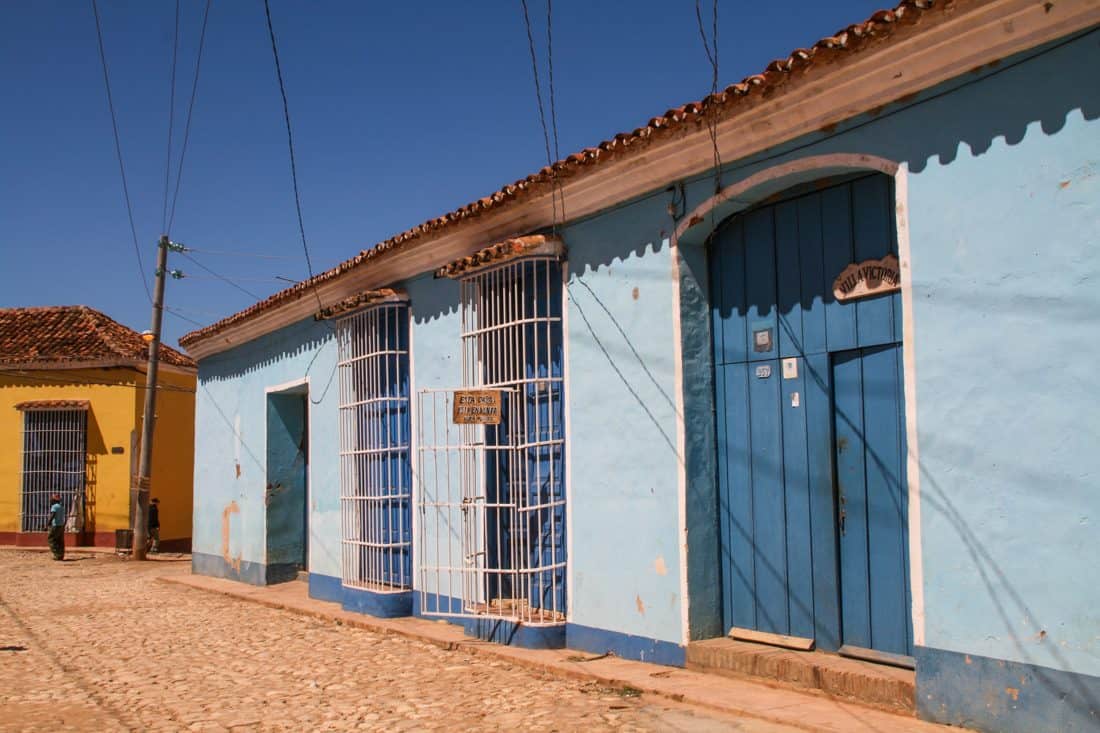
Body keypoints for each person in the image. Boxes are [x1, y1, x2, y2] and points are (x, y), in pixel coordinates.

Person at [45, 494, 65, 561]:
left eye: (52, 499)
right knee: (60, 541)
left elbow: (52, 515)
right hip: (61, 526)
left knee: (51, 540)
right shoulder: (61, 506)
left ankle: (57, 555)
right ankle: (61, 555)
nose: (50, 500)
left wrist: (47, 524)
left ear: (54, 500)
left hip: (55, 525)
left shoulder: (54, 507)